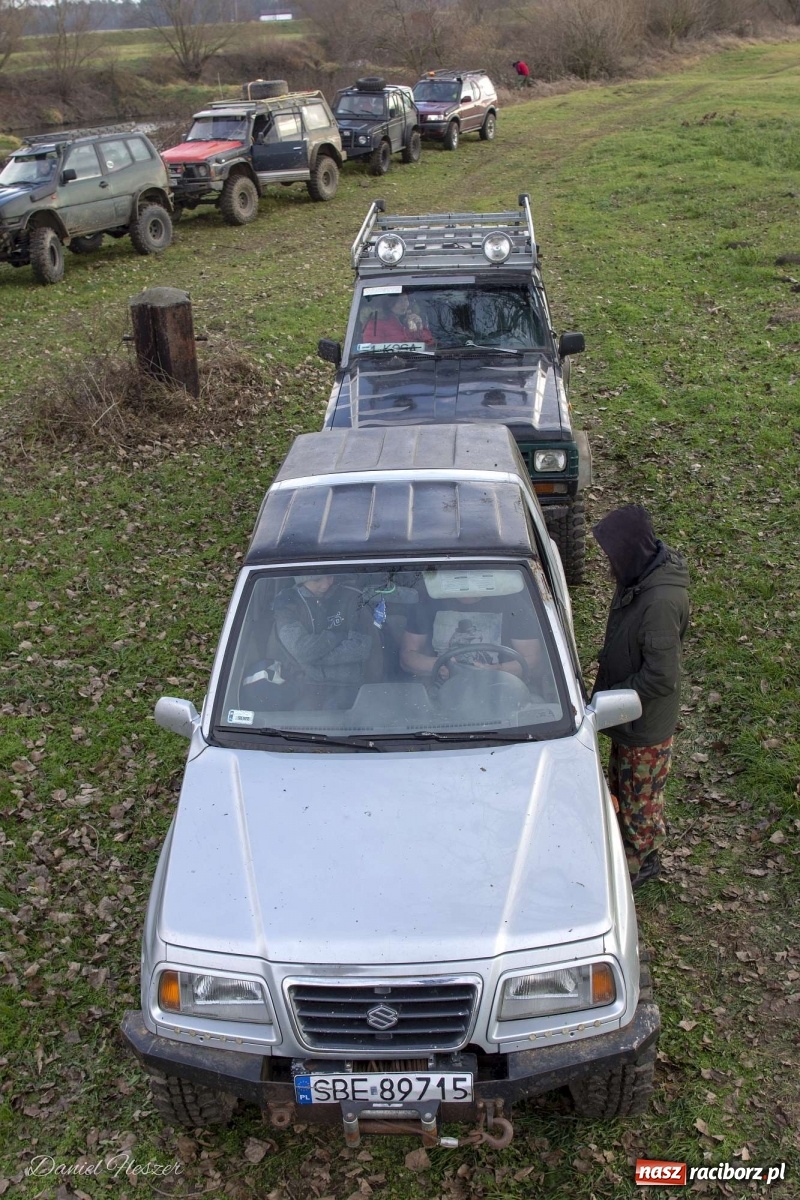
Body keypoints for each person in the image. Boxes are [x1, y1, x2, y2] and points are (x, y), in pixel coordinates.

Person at [591, 505, 690, 889]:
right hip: (625, 714)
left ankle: (639, 864)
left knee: (639, 799)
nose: (608, 565)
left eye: (612, 556)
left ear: (630, 552)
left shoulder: (660, 601)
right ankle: (634, 846)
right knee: (626, 787)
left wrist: (615, 697)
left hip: (643, 720)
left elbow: (661, 676)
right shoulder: (639, 578)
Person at [400, 579, 542, 682]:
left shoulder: (513, 603)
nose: (467, 585)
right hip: (438, 693)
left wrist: (496, 670)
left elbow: (532, 659)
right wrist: (439, 666)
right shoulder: (428, 601)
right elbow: (407, 657)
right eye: (460, 577)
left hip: (500, 689)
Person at [271, 574, 380, 707]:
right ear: (301, 580)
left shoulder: (353, 597)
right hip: (305, 686)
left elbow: (361, 647)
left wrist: (313, 658)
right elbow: (301, 650)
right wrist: (340, 636)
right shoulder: (287, 603)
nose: (325, 585)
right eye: (316, 579)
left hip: (350, 686)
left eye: (329, 577)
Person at [360, 293, 434, 346]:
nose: (405, 304)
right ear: (389, 303)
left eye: (406, 300)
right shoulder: (375, 324)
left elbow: (430, 346)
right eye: (399, 301)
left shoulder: (412, 320)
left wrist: (419, 329)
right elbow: (373, 352)